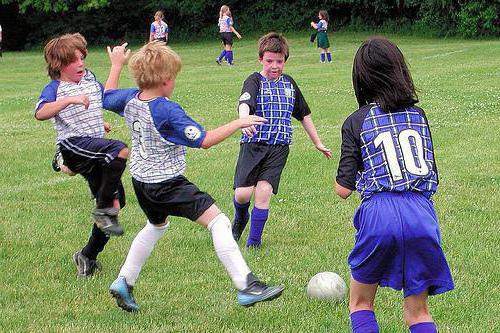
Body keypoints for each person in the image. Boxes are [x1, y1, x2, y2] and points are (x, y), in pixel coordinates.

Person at [103, 41, 284, 312]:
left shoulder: (130, 98)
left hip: (141, 182)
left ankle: (124, 281)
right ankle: (246, 285)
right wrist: (238, 123)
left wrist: (116, 65)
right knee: (220, 222)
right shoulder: (167, 110)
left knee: (156, 226)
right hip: (167, 183)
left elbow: (107, 96)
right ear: (166, 80)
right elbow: (205, 140)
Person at [335, 36, 455, 333]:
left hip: (379, 213)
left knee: (361, 305)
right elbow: (431, 173)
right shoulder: (419, 115)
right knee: (418, 312)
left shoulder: (356, 120)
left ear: (360, 79)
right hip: (421, 213)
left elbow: (343, 189)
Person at [34, 33, 129, 277]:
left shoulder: (89, 79)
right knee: (119, 149)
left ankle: (87, 256)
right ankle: (64, 161)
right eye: (73, 61)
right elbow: (41, 113)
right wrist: (69, 100)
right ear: (58, 65)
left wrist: (116, 66)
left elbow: (105, 97)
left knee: (116, 204)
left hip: (94, 147)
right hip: (72, 145)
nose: (80, 64)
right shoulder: (56, 88)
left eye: (81, 58)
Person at [232, 32, 332, 248]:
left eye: (279, 61)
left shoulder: (289, 84)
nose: (274, 66)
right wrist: (244, 119)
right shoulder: (254, 80)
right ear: (261, 59)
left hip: (279, 148)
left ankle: (254, 243)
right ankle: (240, 218)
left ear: (285, 60)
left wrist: (317, 142)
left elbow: (304, 114)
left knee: (264, 192)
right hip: (253, 145)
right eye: (269, 61)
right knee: (242, 194)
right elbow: (244, 103)